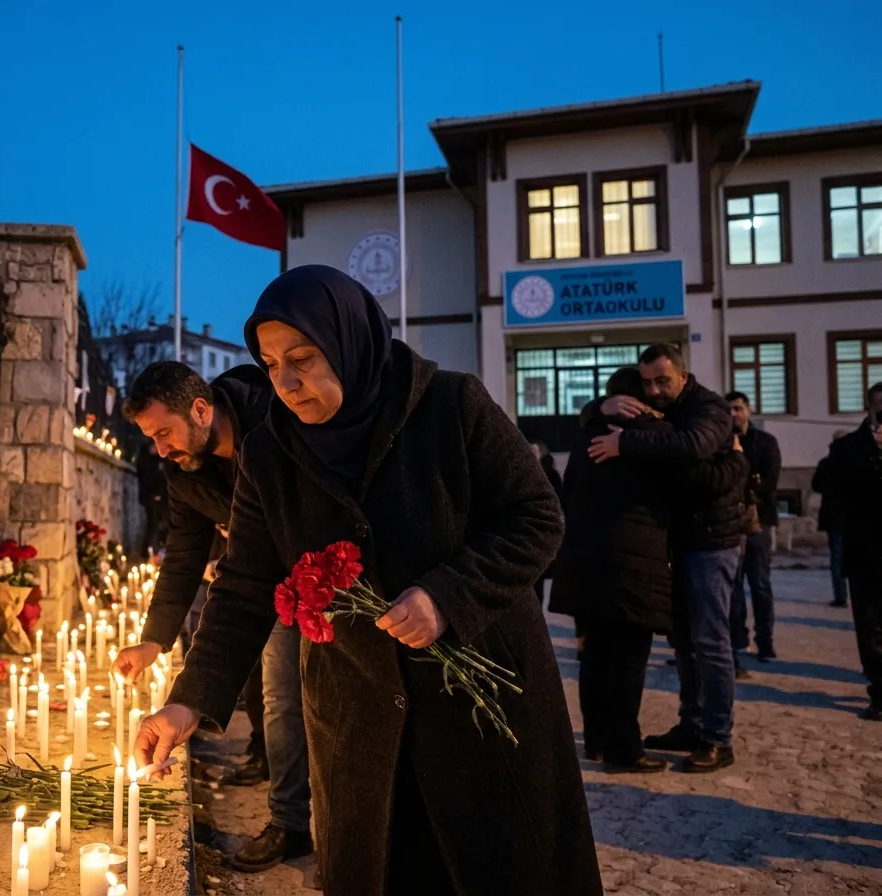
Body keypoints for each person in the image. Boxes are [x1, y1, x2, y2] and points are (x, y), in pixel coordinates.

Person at [136, 265, 602, 895]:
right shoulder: (272, 453)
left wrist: (447, 594)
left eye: (302, 357)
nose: (288, 382)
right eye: (271, 365)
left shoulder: (452, 407)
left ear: (350, 339)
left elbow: (538, 517)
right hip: (358, 714)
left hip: (480, 703)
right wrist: (190, 700)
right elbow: (245, 584)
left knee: (501, 865)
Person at [116, 361, 313, 872]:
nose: (160, 448)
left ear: (201, 410)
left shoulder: (276, 422)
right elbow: (183, 554)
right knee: (280, 696)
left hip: (325, 576)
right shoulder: (184, 473)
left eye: (165, 432)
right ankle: (291, 824)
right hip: (266, 592)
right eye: (151, 437)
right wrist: (153, 640)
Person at [588, 344, 746, 772]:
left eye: (663, 380)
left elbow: (692, 449)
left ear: (683, 374)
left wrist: (627, 443)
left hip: (713, 540)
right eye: (648, 382)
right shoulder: (657, 413)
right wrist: (601, 405)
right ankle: (691, 725)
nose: (655, 389)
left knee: (712, 643)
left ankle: (717, 737)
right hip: (678, 541)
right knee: (685, 645)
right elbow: (667, 456)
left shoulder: (708, 407)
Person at [550, 367, 675, 773]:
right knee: (627, 661)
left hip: (587, 563)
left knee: (595, 658)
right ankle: (625, 750)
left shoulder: (587, 435)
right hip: (632, 566)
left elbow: (568, 494)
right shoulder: (650, 438)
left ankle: (598, 742)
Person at [825, 383, 882, 720]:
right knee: (871, 627)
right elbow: (835, 489)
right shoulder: (848, 448)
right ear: (868, 408)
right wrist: (872, 456)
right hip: (865, 551)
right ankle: (879, 692)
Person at [726, 391, 781, 663]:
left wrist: (745, 488)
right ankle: (738, 640)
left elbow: (769, 482)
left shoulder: (766, 442)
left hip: (760, 521)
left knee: (760, 585)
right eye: (729, 410)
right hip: (732, 524)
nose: (733, 414)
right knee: (733, 586)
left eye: (737, 408)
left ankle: (765, 642)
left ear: (748, 410)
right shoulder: (722, 443)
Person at [812, 430, 850, 607]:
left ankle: (841, 596)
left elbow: (816, 485)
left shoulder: (826, 464)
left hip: (833, 516)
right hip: (855, 516)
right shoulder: (856, 461)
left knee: (837, 557)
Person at [530, 439, 562, 607]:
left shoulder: (550, 476)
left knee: (538, 585)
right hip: (531, 538)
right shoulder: (520, 474)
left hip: (541, 538)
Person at [135, 441, 169, 557]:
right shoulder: (145, 459)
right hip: (150, 498)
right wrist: (153, 494)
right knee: (153, 526)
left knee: (160, 525)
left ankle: (155, 552)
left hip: (161, 497)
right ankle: (147, 554)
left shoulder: (159, 460)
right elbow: (145, 479)